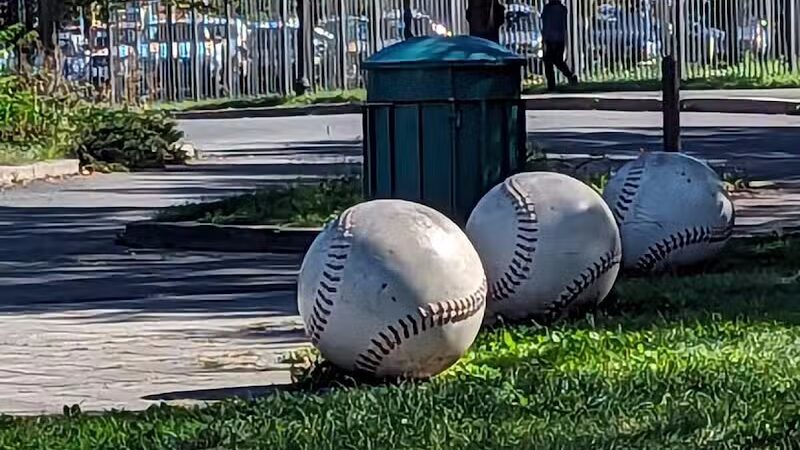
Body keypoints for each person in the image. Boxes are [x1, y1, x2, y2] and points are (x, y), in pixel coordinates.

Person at [541, 0, 578, 91]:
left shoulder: (550, 9)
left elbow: (546, 24)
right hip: (557, 38)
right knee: (554, 61)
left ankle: (553, 84)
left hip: (553, 38)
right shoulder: (561, 9)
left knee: (552, 61)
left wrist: (544, 38)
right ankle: (566, 78)